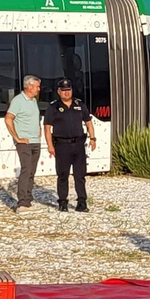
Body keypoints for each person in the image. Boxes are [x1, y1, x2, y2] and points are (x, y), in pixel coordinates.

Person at [44, 78, 96, 212]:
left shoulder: (79, 104)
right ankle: (63, 202)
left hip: (78, 144)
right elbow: (47, 128)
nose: (67, 93)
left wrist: (92, 138)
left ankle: (82, 202)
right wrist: (50, 146)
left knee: (80, 175)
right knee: (63, 175)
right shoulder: (53, 107)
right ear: (58, 91)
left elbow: (88, 122)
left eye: (69, 90)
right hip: (62, 145)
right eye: (64, 90)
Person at [5, 75, 43, 210]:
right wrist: (17, 138)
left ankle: (28, 199)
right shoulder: (18, 101)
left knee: (32, 171)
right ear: (29, 86)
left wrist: (39, 128)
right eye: (37, 86)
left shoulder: (33, 101)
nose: (39, 89)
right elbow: (8, 119)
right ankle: (22, 202)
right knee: (26, 169)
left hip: (35, 141)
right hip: (24, 142)